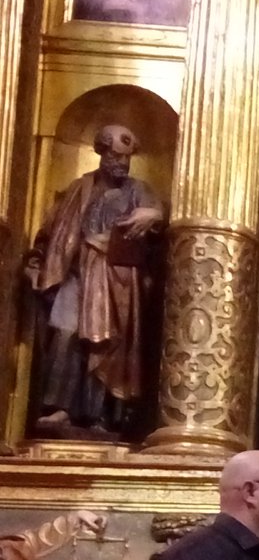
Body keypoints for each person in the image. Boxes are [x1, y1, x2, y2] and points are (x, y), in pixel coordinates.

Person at [23, 123, 163, 438]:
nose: (122, 163)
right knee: (65, 332)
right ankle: (60, 407)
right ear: (101, 153)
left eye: (126, 157)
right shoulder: (79, 188)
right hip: (76, 273)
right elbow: (50, 232)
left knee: (107, 343)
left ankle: (102, 415)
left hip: (116, 278)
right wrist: (36, 264)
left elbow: (159, 217)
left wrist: (154, 215)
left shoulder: (138, 190)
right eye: (115, 156)